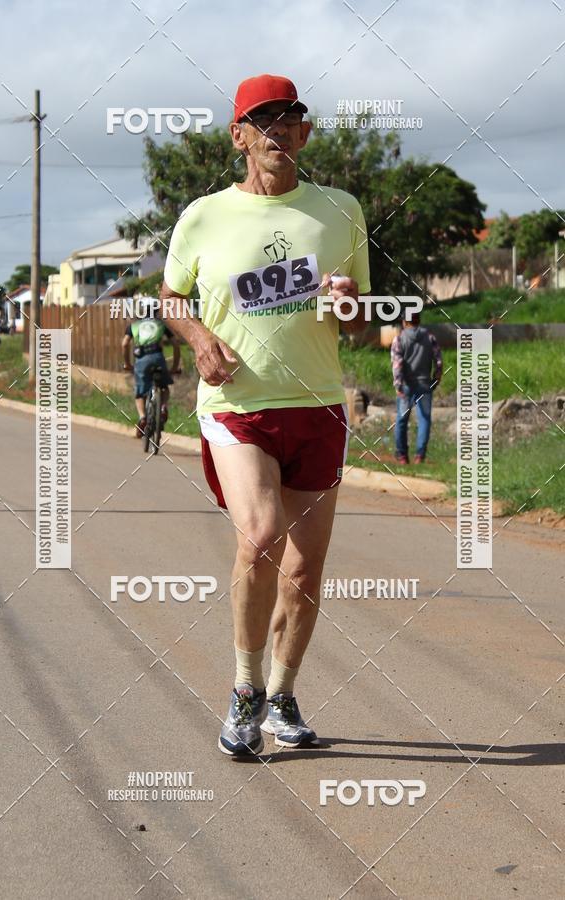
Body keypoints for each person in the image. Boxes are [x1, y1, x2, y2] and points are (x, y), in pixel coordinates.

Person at [160, 73, 371, 756]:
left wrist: (349, 307)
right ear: (240, 137)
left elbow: (359, 318)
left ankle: (282, 694)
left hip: (316, 406)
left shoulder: (340, 210)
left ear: (305, 134)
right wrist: (198, 340)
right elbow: (171, 296)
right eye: (264, 121)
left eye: (291, 121)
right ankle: (245, 689)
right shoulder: (203, 216)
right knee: (261, 536)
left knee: (306, 571)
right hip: (238, 406)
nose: (279, 133)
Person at [391, 310, 443, 464]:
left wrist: (398, 384)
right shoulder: (430, 337)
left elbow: (398, 364)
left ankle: (402, 456)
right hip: (424, 384)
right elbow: (438, 360)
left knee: (401, 419)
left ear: (405, 322)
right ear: (418, 320)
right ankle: (420, 456)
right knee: (424, 419)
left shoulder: (399, 339)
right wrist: (436, 377)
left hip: (406, 385)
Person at [122, 305, 181, 437]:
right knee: (164, 388)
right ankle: (163, 406)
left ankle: (143, 417)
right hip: (158, 358)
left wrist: (127, 364)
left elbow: (125, 344)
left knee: (140, 393)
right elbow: (176, 344)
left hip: (141, 360)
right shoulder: (161, 325)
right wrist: (175, 367)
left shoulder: (133, 326)